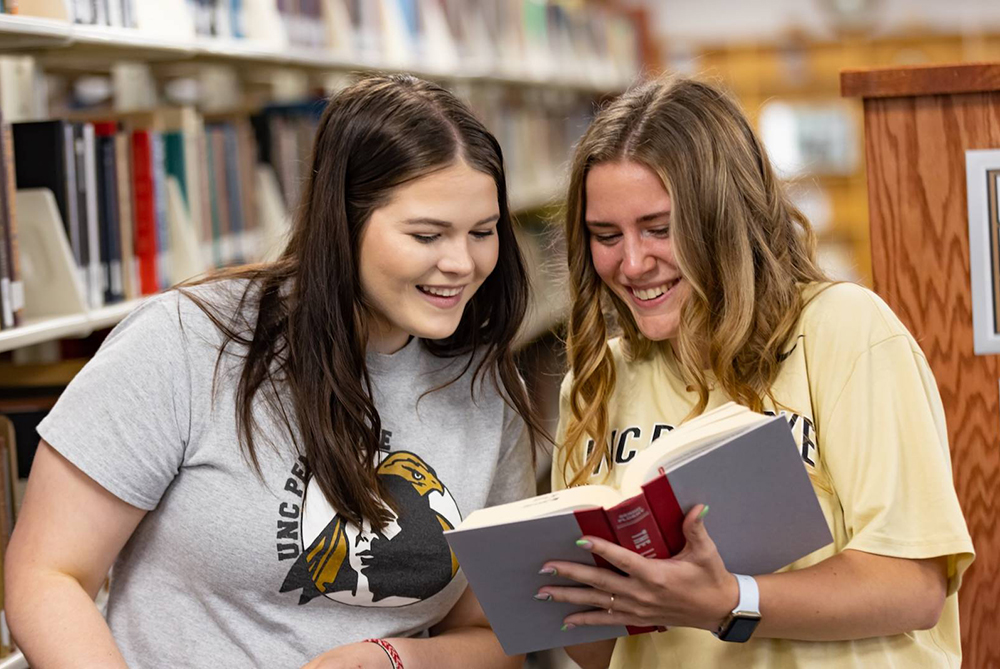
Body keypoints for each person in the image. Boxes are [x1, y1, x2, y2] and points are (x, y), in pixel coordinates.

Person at [5, 74, 541, 669]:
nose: (461, 263)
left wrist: (392, 659)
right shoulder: (188, 342)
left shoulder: (485, 384)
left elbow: (493, 635)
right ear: (343, 223)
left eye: (483, 232)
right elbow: (47, 574)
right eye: (426, 234)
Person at [538, 76, 975, 668]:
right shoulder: (596, 383)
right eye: (606, 235)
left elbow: (911, 586)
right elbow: (593, 653)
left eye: (660, 229)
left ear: (725, 216)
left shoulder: (843, 330)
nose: (633, 263)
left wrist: (728, 601)